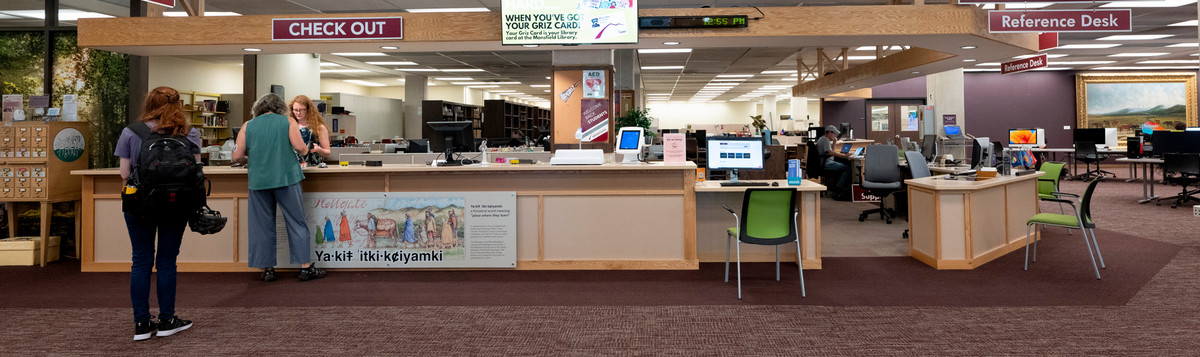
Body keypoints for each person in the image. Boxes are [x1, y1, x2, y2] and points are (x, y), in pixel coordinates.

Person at [115, 86, 198, 341]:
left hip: (140, 204)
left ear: (149, 103)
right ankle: (167, 320)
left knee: (140, 261)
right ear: (178, 104)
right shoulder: (189, 132)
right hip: (176, 204)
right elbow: (195, 171)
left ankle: (141, 323)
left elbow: (124, 173)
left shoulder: (132, 131)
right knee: (166, 261)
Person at [233, 93, 327, 282]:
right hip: (286, 177)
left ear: (258, 108)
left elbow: (237, 156)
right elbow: (300, 148)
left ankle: (267, 269)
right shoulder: (288, 122)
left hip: (259, 180)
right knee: (296, 221)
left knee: (261, 226)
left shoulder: (247, 126)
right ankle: (305, 267)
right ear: (280, 107)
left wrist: (252, 158)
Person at [288, 95, 332, 167]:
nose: (298, 113)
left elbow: (327, 153)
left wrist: (319, 149)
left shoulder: (319, 128)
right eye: (295, 110)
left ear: (308, 110)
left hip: (312, 168)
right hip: (293, 168)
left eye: (301, 110)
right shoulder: (289, 126)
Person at [816, 125, 852, 200]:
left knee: (843, 165)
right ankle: (839, 187)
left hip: (825, 162)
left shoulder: (823, 139)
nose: (835, 135)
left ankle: (837, 187)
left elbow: (832, 151)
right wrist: (844, 156)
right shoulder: (825, 140)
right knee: (847, 168)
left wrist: (834, 142)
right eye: (834, 134)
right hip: (826, 163)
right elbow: (830, 153)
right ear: (829, 132)